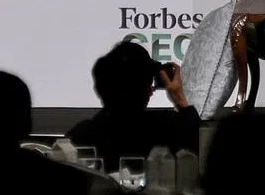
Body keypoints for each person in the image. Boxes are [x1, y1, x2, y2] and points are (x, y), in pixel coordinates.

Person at [67, 40, 201, 168]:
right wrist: (179, 98)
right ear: (145, 91)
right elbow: (200, 148)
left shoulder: (81, 136)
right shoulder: (169, 128)